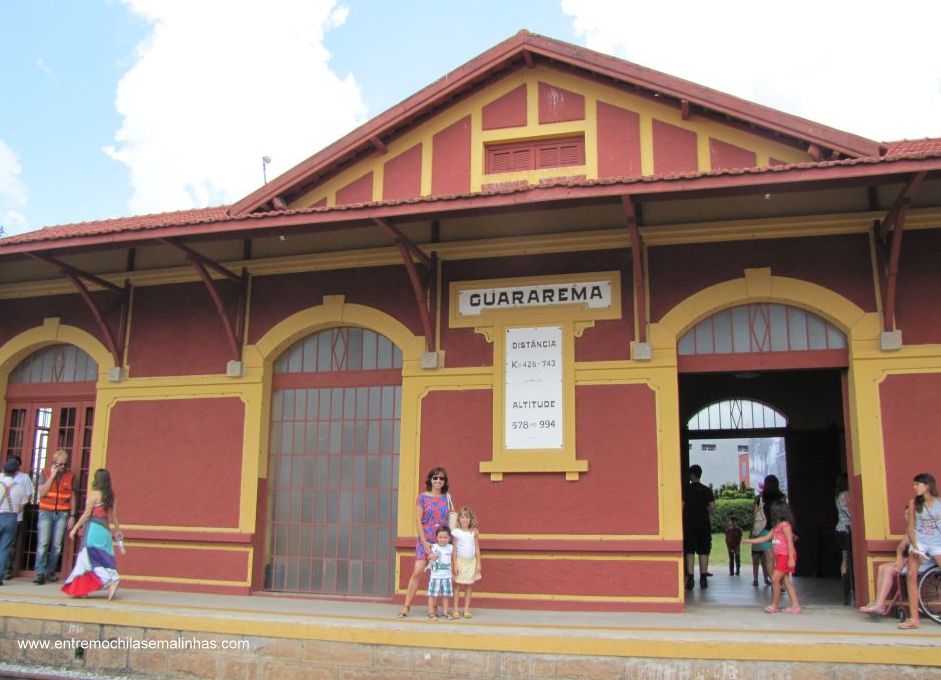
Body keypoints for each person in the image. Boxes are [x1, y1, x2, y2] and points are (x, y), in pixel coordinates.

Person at [397, 467, 453, 617]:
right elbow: (418, 521)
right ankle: (406, 606)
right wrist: (424, 542)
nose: (438, 481)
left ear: (445, 482)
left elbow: (450, 521)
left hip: (441, 542)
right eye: (435, 477)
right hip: (425, 540)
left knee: (437, 574)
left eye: (441, 478)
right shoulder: (422, 497)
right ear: (430, 479)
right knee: (417, 572)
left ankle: (433, 609)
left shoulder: (447, 498)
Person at [62, 469, 122, 600]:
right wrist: (117, 531)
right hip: (105, 531)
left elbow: (86, 514)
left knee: (89, 558)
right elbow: (114, 517)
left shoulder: (94, 494)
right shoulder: (111, 495)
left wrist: (74, 529)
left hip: (93, 529)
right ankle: (82, 590)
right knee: (101, 558)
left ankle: (111, 579)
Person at [898, 472, 941, 630]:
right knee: (911, 575)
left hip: (937, 543)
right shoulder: (913, 503)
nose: (914, 487)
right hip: (920, 542)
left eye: (917, 484)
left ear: (927, 485)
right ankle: (914, 619)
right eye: (914, 484)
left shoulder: (939, 503)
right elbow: (911, 528)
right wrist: (916, 548)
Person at [744, 499, 800, 613]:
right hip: (781, 557)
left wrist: (790, 559)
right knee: (786, 582)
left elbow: (790, 542)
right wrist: (749, 541)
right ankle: (795, 606)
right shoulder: (776, 527)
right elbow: (765, 538)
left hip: (785, 556)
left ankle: (774, 605)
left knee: (775, 579)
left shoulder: (785, 526)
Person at [33, 449, 77, 584]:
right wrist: (52, 476)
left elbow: (73, 497)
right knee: (43, 543)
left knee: (57, 545)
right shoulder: (44, 473)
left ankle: (50, 572)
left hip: (63, 513)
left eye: (65, 464)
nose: (63, 467)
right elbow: (42, 492)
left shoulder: (70, 475)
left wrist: (72, 515)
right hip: (46, 512)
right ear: (54, 463)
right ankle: (40, 573)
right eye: (60, 464)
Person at [859, 505, 910, 616]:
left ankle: (879, 605)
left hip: (919, 560)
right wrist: (899, 556)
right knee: (882, 567)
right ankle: (879, 603)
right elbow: (901, 546)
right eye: (905, 514)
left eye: (908, 514)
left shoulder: (919, 529)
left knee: (888, 570)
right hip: (909, 559)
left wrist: (904, 560)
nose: (905, 516)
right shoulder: (909, 529)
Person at [682, 464, 715, 590]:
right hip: (704, 524)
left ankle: (690, 578)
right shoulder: (707, 490)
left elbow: (682, 506)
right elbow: (713, 508)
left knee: (690, 551)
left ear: (691, 475)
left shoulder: (686, 490)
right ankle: (703, 578)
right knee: (703, 551)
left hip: (689, 525)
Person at [2, 454, 34, 581]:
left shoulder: (22, 478)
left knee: (9, 546)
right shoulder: (18, 487)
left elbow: (28, 496)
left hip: (9, 516)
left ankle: (7, 570)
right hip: (12, 516)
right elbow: (26, 498)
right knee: (6, 547)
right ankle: (2, 572)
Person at [451, 506, 481, 618]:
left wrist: (478, 563)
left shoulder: (474, 533)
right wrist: (454, 564)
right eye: (462, 517)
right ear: (459, 519)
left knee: (469, 586)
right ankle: (455, 610)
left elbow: (477, 548)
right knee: (457, 586)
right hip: (460, 562)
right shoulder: (456, 532)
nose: (464, 520)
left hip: (471, 562)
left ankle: (466, 610)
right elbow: (454, 550)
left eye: (467, 517)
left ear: (470, 519)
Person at [426, 525, 454, 619]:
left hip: (447, 576)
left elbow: (453, 560)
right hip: (435, 576)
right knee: (432, 595)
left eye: (445, 537)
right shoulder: (434, 547)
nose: (442, 539)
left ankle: (445, 612)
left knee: (446, 595)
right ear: (436, 538)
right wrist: (431, 556)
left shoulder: (451, 548)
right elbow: (428, 558)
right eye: (440, 537)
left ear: (449, 538)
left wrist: (453, 573)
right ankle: (431, 612)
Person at [835, 473, 853, 604]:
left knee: (844, 559)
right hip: (847, 529)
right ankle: (849, 589)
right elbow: (851, 513)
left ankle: (845, 589)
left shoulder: (837, 495)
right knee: (848, 560)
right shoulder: (847, 495)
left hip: (839, 528)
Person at [749, 493, 772, 587]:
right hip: (759, 535)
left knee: (762, 559)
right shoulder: (757, 510)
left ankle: (764, 578)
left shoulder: (763, 511)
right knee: (759, 559)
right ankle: (758, 579)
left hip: (760, 535)